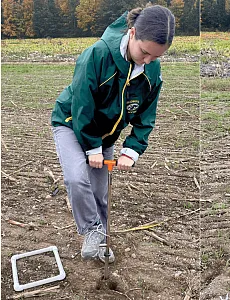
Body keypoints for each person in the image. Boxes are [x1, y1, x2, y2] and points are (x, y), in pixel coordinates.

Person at [51, 5, 175, 263]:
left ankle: (102, 240)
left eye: (155, 56)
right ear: (132, 33)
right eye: (144, 52)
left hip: (105, 134)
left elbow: (146, 116)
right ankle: (91, 231)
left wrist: (132, 150)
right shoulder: (96, 55)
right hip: (71, 122)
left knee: (99, 192)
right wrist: (93, 148)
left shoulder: (151, 70)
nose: (148, 60)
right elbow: (82, 106)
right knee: (76, 179)